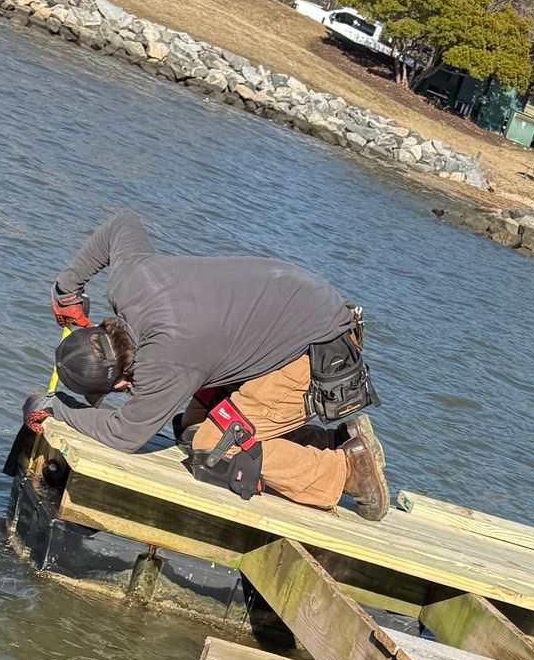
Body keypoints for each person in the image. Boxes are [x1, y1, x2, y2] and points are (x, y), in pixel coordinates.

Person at [33, 208, 390, 520]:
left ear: (118, 383)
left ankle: (345, 471)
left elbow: (124, 435)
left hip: (316, 352)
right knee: (193, 426)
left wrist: (57, 408)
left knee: (215, 446)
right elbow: (122, 224)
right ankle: (335, 442)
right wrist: (67, 289)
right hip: (305, 311)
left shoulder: (166, 360)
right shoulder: (131, 283)